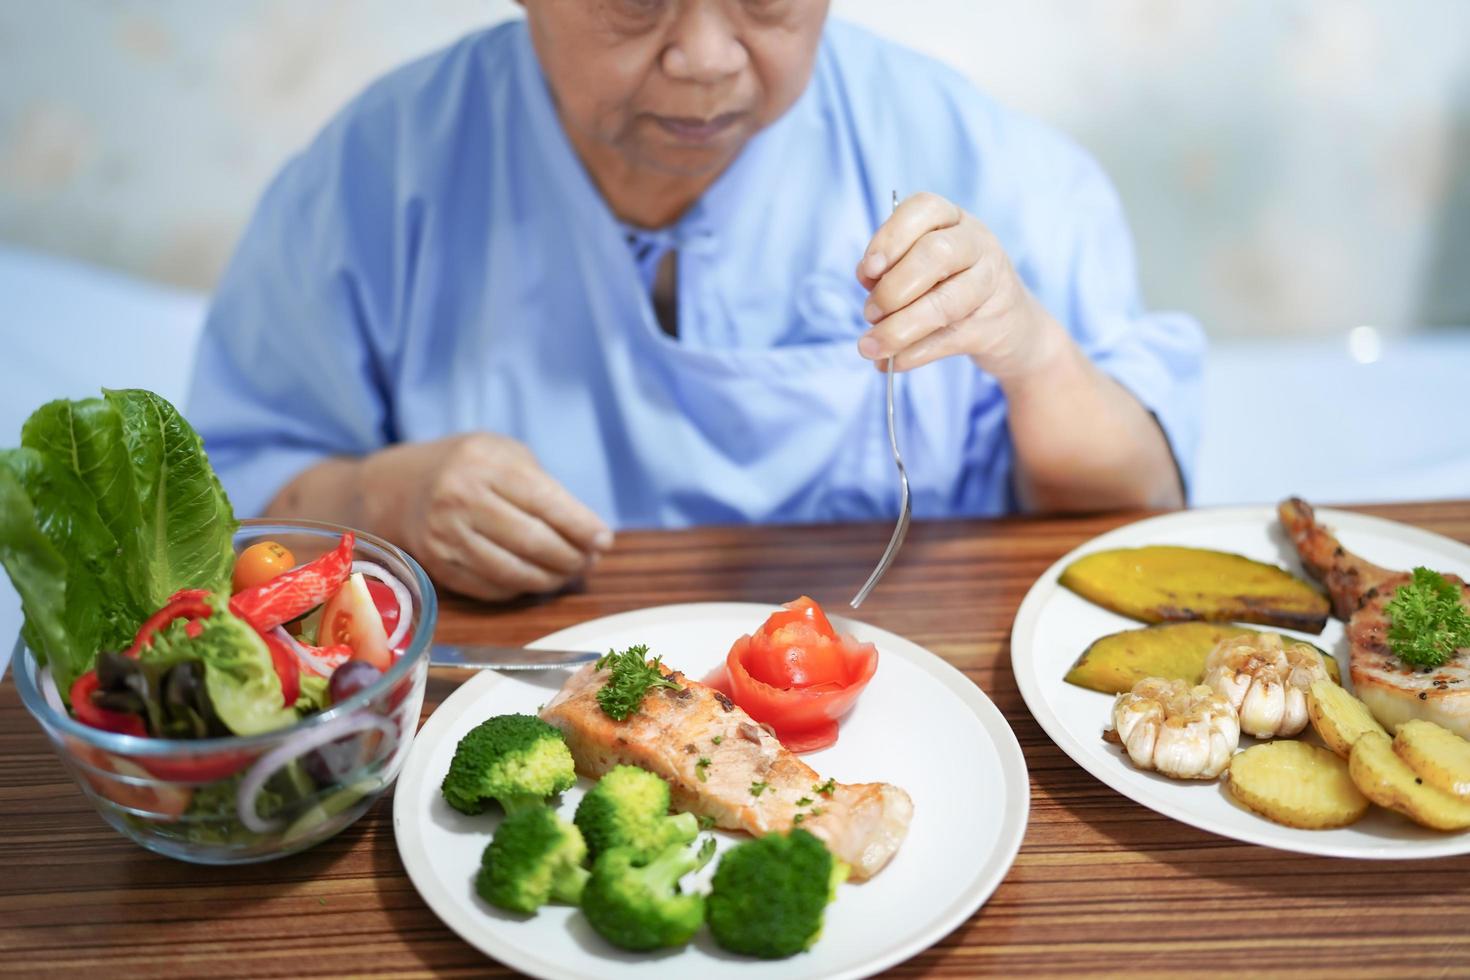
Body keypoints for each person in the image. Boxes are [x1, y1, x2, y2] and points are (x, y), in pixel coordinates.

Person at [188, 1, 1203, 602]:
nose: (706, 57)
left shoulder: (981, 155)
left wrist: (1031, 353)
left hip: (911, 689)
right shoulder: (379, 172)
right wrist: (380, 503)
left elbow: (1137, 507)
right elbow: (217, 514)